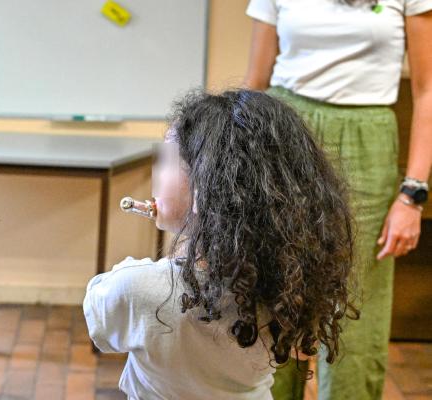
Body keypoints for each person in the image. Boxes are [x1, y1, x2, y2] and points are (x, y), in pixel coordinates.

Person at [83, 89, 359, 400]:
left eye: (166, 160)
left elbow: (100, 322)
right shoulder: (287, 290)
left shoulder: (134, 287)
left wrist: (131, 270)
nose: (155, 172)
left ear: (203, 190)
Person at [243, 1, 432, 398]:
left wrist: (412, 195)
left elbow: (427, 89)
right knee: (277, 295)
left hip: (370, 137)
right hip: (286, 134)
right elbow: (254, 85)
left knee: (359, 302)